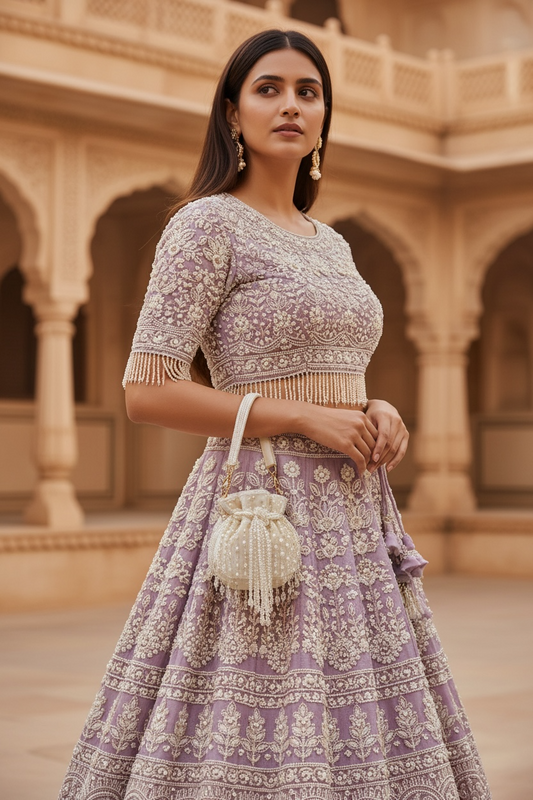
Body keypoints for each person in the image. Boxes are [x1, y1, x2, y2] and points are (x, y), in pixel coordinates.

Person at [59, 29, 491, 800]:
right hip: (264, 512)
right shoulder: (205, 225)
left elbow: (336, 371)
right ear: (232, 112)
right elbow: (146, 390)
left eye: (307, 91)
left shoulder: (334, 245)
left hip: (354, 521)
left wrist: (375, 408)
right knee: (259, 707)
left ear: (323, 117)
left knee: (358, 717)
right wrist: (302, 417)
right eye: (268, 89)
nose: (290, 104)